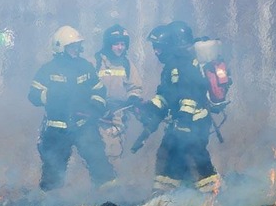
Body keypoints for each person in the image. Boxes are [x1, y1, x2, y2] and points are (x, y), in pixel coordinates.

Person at [28, 25, 117, 192]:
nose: (77, 50)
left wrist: (95, 106)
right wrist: (52, 96)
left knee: (99, 163)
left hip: (84, 126)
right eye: (72, 47)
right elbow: (33, 95)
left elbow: (98, 90)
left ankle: (111, 200)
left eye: (78, 46)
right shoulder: (48, 70)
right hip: (56, 131)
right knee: (52, 171)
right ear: (60, 47)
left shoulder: (85, 66)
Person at [137, 21, 220, 196]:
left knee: (196, 158)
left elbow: (191, 94)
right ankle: (163, 198)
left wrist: (184, 120)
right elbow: (166, 95)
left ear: (169, 45)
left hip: (195, 122)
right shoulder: (170, 67)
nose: (156, 51)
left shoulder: (186, 65)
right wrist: (151, 109)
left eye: (158, 47)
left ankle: (214, 196)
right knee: (167, 155)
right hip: (180, 123)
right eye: (154, 47)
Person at [94, 24, 143, 158]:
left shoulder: (127, 65)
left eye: (123, 44)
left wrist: (133, 98)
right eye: (116, 44)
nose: (120, 47)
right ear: (108, 44)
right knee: (93, 152)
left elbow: (135, 87)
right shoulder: (96, 62)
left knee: (113, 151)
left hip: (117, 117)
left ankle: (111, 176)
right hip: (95, 115)